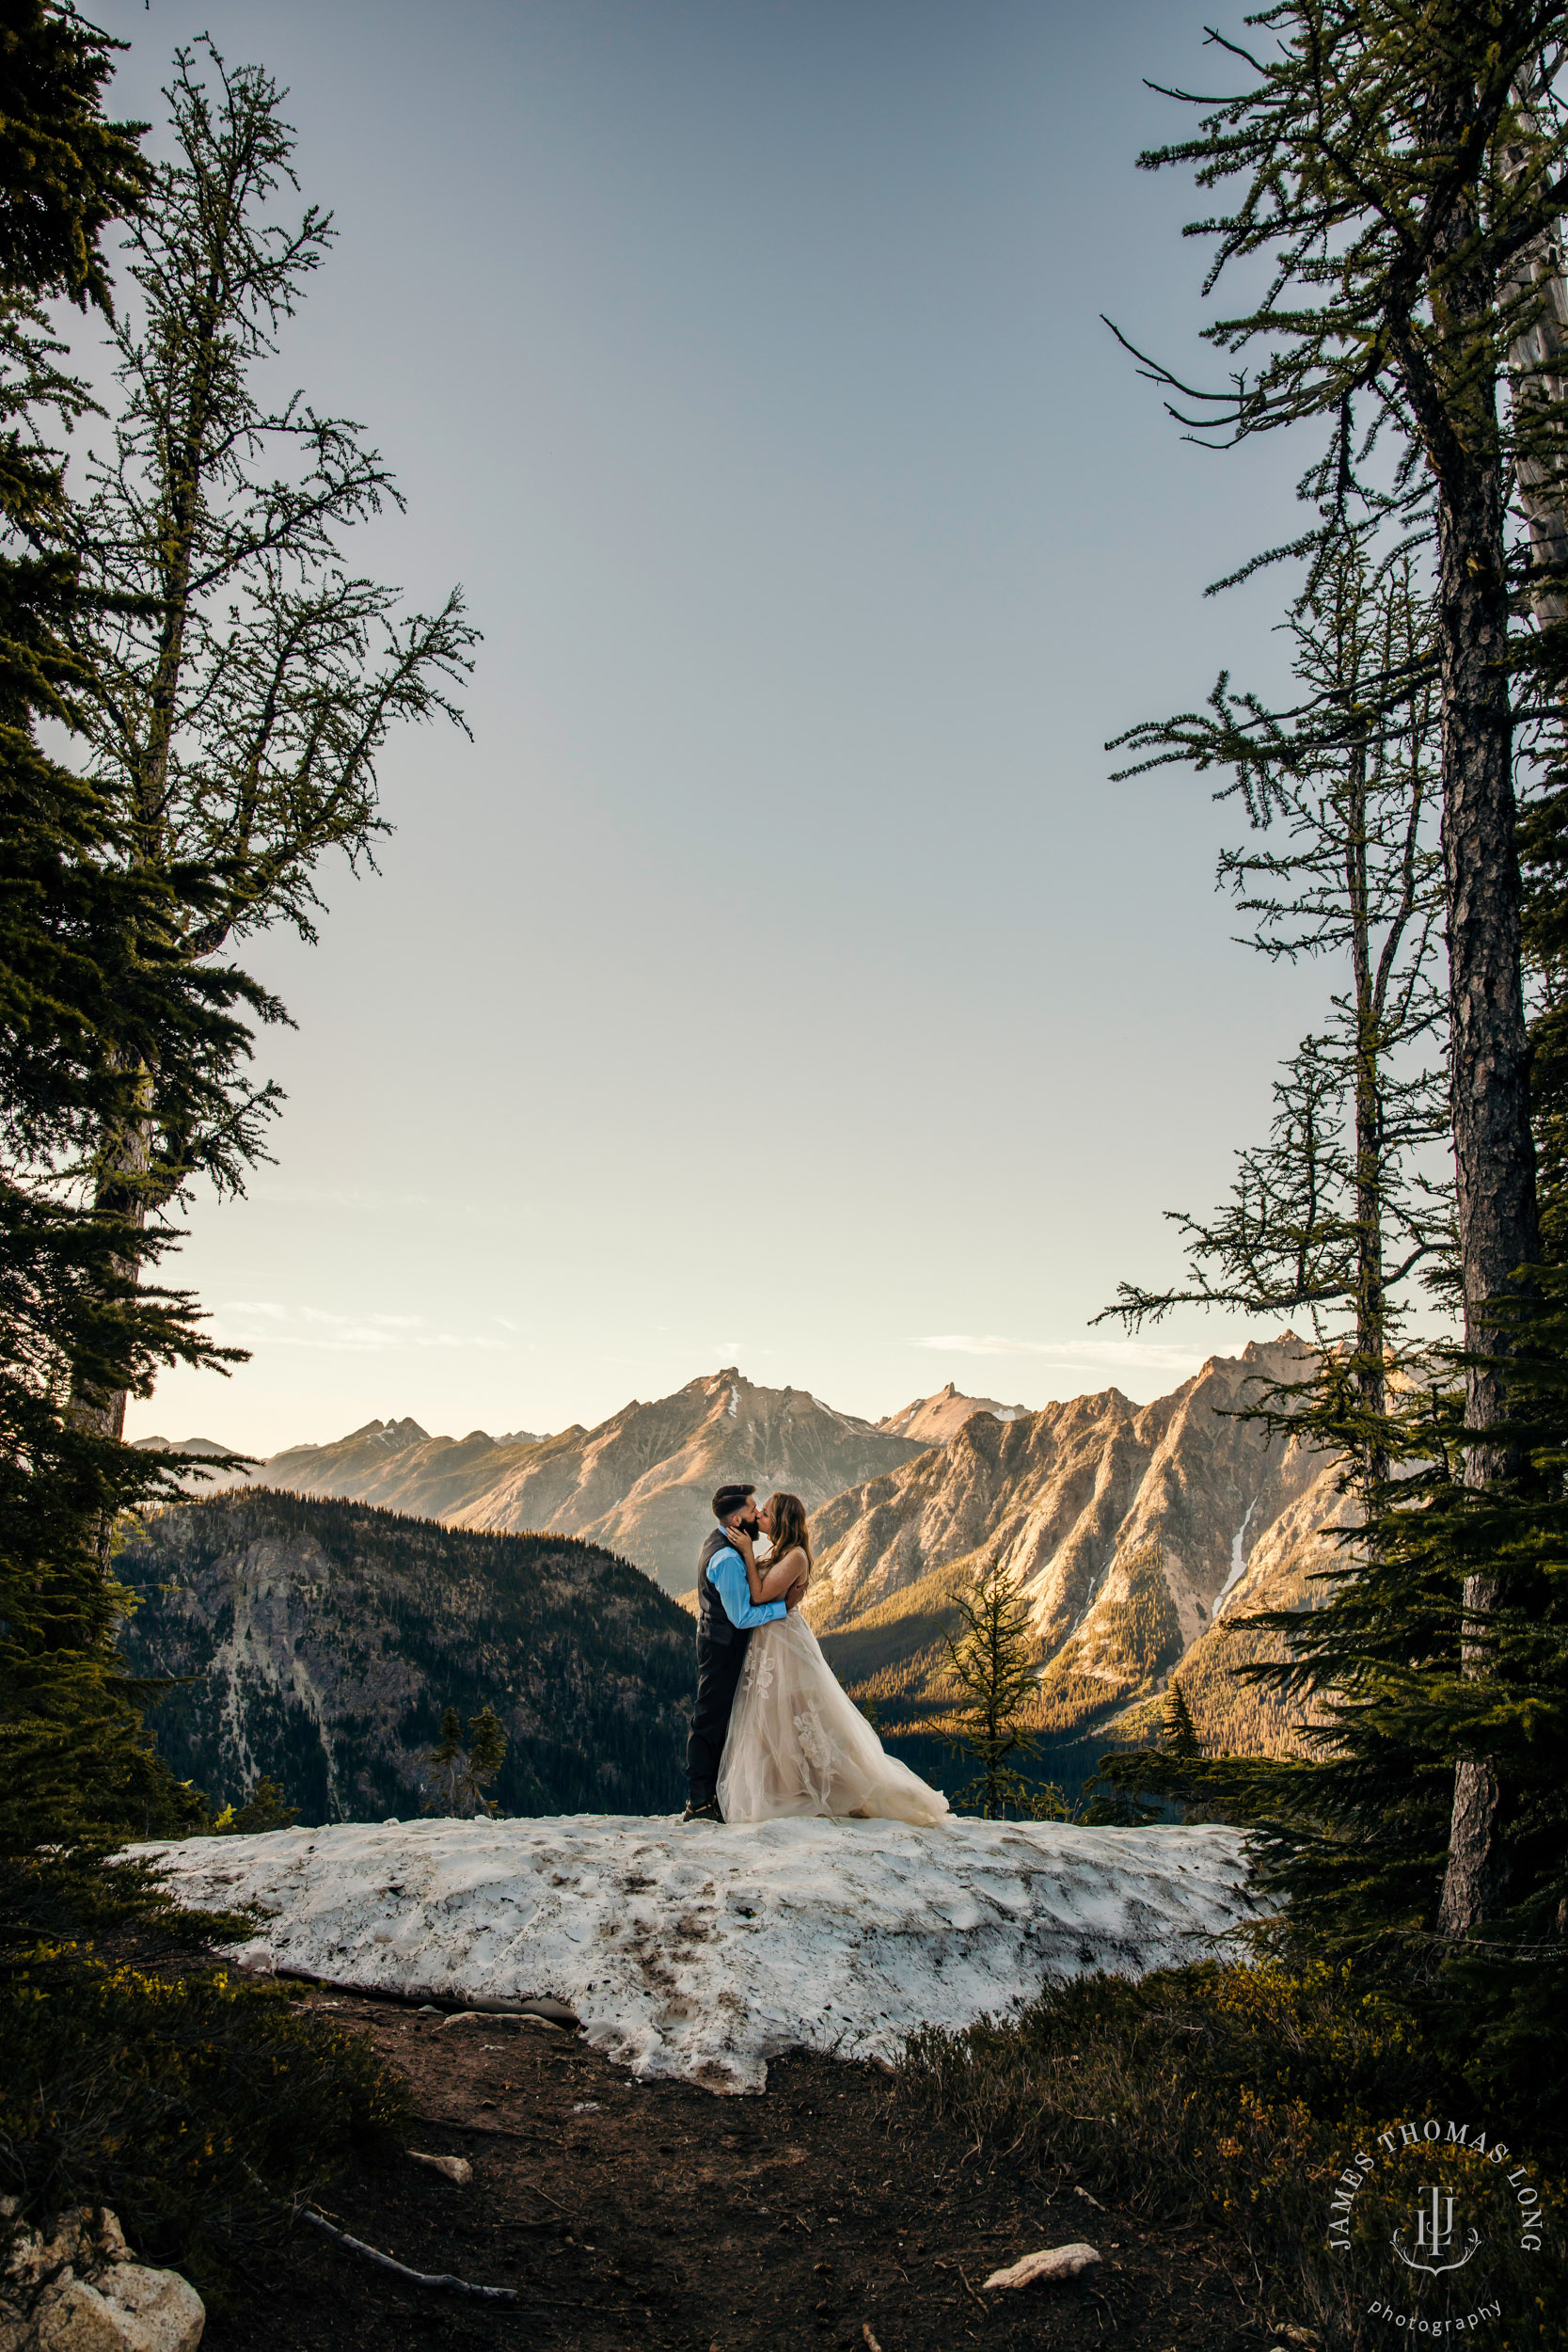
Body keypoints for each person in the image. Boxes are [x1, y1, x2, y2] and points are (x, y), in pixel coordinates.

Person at [716, 1490, 950, 1827]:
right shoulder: (781, 1551)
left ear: (780, 1520)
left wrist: (747, 1553)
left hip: (783, 1643)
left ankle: (820, 1789)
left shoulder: (795, 1556)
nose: (759, 1516)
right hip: (769, 1641)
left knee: (794, 1714)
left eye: (765, 1513)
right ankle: (786, 1786)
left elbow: (759, 1594)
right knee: (773, 1717)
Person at [682, 1482, 803, 1823]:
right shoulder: (728, 1559)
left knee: (724, 1717)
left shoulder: (722, 1539)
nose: (757, 1514)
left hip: (721, 1639)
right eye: (753, 1511)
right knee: (710, 1718)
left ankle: (715, 1796)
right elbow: (742, 1616)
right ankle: (699, 1802)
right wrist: (785, 1609)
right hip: (722, 1645)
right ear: (737, 1522)